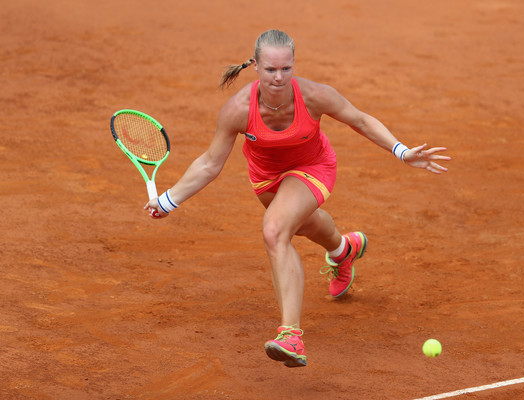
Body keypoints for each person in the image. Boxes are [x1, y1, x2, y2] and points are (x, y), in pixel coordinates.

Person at [145, 29, 450, 368]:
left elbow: (360, 120)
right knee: (304, 225)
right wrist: (169, 200)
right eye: (271, 69)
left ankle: (290, 333)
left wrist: (402, 150)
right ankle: (342, 250)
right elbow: (209, 163)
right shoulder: (237, 109)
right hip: (266, 179)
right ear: (257, 66)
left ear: (293, 66)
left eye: (286, 69)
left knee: (275, 231)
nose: (279, 77)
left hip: (313, 167)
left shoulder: (315, 95)